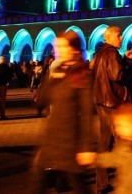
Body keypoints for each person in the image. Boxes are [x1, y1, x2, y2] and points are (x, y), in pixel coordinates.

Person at [31, 30, 94, 194]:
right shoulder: (59, 72)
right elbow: (40, 102)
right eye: (55, 47)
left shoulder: (82, 74)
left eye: (60, 46)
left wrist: (85, 147)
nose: (56, 50)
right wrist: (48, 73)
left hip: (70, 142)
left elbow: (87, 113)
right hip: (51, 139)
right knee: (38, 183)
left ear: (72, 49)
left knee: (80, 186)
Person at [77, 104, 132, 194]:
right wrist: (95, 158)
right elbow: (114, 158)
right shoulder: (124, 144)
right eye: (117, 126)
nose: (118, 130)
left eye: (123, 126)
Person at [92, 25, 130, 194]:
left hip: (101, 102)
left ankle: (102, 183)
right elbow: (117, 75)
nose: (121, 38)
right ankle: (125, 181)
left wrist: (123, 60)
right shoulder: (112, 53)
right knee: (122, 143)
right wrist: (127, 65)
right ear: (110, 37)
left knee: (104, 143)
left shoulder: (100, 53)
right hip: (113, 103)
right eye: (119, 35)